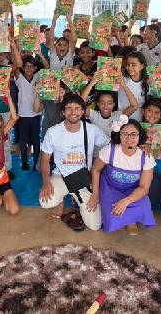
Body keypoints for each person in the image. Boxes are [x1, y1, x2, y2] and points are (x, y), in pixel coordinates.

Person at [39, 93, 110, 229]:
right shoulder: (53, 132)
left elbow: (109, 146)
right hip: (61, 176)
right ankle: (60, 200)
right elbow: (45, 159)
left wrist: (97, 164)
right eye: (69, 108)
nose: (73, 112)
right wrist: (46, 182)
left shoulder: (92, 130)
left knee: (94, 225)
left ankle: (77, 198)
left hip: (83, 178)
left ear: (83, 112)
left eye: (77, 108)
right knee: (46, 202)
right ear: (63, 112)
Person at [88, 118, 156, 235]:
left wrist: (126, 201)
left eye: (133, 134)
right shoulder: (110, 150)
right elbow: (95, 169)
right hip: (110, 188)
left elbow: (144, 188)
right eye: (125, 134)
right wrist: (95, 194)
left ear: (140, 136)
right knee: (112, 216)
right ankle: (122, 216)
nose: (129, 138)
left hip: (132, 190)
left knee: (144, 207)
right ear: (119, 136)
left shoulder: (146, 156)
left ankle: (131, 220)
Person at [140, 98, 161, 209]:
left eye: (157, 112)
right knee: (151, 198)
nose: (152, 115)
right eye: (149, 110)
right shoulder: (138, 128)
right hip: (146, 171)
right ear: (143, 111)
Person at [11, 53, 41, 171]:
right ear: (23, 68)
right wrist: (15, 48)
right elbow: (16, 66)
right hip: (22, 115)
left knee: (36, 140)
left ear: (35, 68)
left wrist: (39, 53)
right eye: (26, 66)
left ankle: (36, 162)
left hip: (36, 115)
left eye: (31, 66)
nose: (29, 69)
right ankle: (24, 162)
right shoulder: (19, 78)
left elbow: (48, 68)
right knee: (22, 140)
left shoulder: (38, 76)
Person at [118, 51, 148, 121]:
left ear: (142, 66)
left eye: (133, 65)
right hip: (121, 119)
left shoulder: (147, 83)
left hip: (138, 120)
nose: (129, 67)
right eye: (128, 64)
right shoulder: (121, 79)